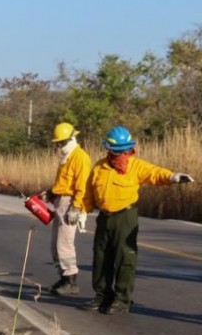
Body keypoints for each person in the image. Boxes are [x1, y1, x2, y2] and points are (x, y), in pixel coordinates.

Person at [81, 126, 195, 314]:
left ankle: (122, 300)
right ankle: (102, 296)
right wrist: (82, 211)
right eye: (117, 150)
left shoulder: (135, 165)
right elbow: (88, 192)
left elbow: (154, 173)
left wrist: (172, 177)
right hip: (104, 217)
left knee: (125, 258)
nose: (122, 153)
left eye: (124, 150)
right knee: (101, 257)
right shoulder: (99, 167)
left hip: (125, 216)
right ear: (108, 148)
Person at [46, 123, 92, 296]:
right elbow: (63, 182)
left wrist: (76, 207)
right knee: (55, 245)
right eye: (58, 143)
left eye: (62, 142)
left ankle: (71, 281)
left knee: (64, 244)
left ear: (72, 138)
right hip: (61, 201)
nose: (59, 146)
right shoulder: (67, 156)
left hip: (70, 202)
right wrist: (52, 192)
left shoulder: (80, 157)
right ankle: (64, 277)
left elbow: (82, 185)